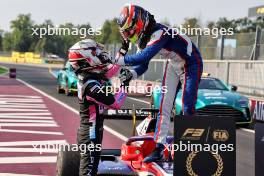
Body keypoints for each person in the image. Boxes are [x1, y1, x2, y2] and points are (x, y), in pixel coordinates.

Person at [114, 4, 203, 163]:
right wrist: (132, 73)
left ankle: (188, 148)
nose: (127, 35)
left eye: (129, 30)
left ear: (139, 23)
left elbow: (142, 57)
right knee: (164, 106)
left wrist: (120, 60)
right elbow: (144, 64)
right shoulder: (144, 37)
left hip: (191, 63)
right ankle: (159, 148)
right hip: (173, 64)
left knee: (187, 106)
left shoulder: (160, 32)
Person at [68, 39, 127, 176]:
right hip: (90, 134)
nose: (100, 53)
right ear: (86, 58)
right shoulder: (89, 85)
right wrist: (124, 85)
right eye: (95, 51)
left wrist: (123, 50)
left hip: (94, 131)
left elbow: (111, 71)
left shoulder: (91, 75)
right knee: (87, 172)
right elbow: (115, 103)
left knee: (93, 171)